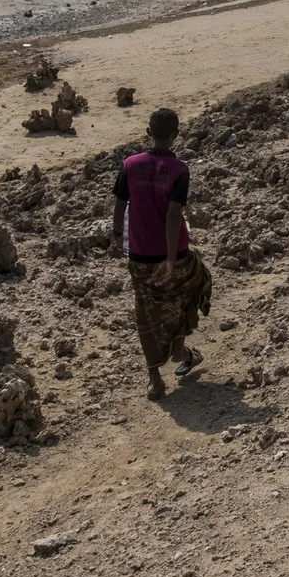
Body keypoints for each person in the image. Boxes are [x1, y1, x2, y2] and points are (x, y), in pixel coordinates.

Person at [111, 106, 213, 399]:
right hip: (176, 255)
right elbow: (173, 214)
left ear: (148, 133)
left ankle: (155, 378)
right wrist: (170, 257)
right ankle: (180, 348)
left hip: (140, 255)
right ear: (176, 134)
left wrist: (118, 236)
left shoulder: (130, 165)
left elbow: (119, 203)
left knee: (145, 312)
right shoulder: (179, 170)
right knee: (193, 285)